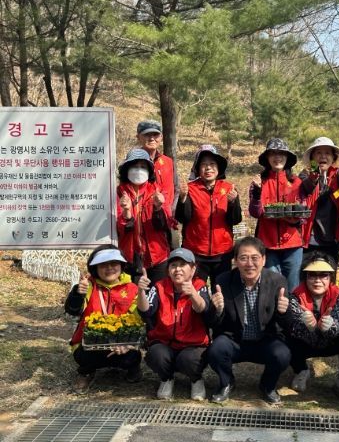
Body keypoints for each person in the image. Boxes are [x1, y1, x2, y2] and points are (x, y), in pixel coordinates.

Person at [207, 236, 292, 404]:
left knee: (282, 354)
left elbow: (287, 324)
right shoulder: (223, 281)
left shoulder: (277, 281)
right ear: (235, 260)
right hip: (235, 340)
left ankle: (267, 385)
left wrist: (284, 312)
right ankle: (226, 382)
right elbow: (213, 323)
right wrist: (217, 310)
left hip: (265, 340)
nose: (249, 264)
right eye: (243, 258)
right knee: (216, 350)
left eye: (255, 258)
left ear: (264, 259)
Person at [137, 248, 224, 401]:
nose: (177, 269)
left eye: (183, 265)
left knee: (189, 360)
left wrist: (192, 294)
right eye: (173, 265)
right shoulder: (159, 286)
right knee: (156, 355)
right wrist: (141, 292)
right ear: (168, 270)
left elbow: (203, 309)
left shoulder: (200, 285)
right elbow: (146, 311)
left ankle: (196, 379)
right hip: (164, 342)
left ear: (193, 269)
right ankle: (166, 378)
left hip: (193, 345)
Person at [65, 245, 142, 393]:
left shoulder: (132, 288)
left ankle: (133, 368)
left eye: (114, 263)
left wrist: (127, 344)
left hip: (121, 343)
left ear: (122, 265)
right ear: (95, 268)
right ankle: (86, 372)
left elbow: (137, 319)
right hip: (90, 343)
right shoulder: (87, 286)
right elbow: (72, 310)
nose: (109, 268)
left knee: (132, 356)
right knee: (83, 356)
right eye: (103, 265)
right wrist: (78, 294)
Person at [287, 253, 339, 400]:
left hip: (329, 342)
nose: (317, 280)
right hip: (305, 343)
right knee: (286, 334)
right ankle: (301, 370)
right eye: (312, 275)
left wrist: (329, 327)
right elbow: (293, 326)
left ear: (330, 277)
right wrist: (307, 327)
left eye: (323, 275)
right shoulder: (295, 297)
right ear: (305, 277)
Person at [175, 145, 242, 289]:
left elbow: (235, 219)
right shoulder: (190, 188)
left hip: (222, 253)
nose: (208, 168)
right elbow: (183, 218)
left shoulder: (228, 188)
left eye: (212, 164)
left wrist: (233, 203)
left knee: (221, 292)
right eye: (204, 164)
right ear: (198, 169)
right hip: (195, 252)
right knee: (195, 291)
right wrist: (183, 198)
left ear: (218, 168)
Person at [249, 138, 304, 291]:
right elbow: (255, 212)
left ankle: (292, 308)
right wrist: (257, 192)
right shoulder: (259, 181)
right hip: (267, 244)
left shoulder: (296, 182)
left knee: (294, 288)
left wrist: (293, 218)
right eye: (273, 153)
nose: (277, 157)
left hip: (293, 244)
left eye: (281, 153)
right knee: (272, 287)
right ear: (267, 158)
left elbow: (302, 213)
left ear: (287, 158)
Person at [117, 148, 172, 284]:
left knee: (159, 294)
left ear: (149, 170)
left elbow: (165, 224)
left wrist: (158, 208)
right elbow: (120, 230)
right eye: (134, 166)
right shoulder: (118, 193)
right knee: (133, 295)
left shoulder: (157, 191)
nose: (139, 170)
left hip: (157, 257)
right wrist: (126, 212)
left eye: (143, 167)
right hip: (130, 258)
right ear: (126, 169)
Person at [299, 137, 339, 264]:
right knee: (306, 273)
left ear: (333, 157)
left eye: (327, 153)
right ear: (312, 157)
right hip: (309, 238)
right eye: (318, 153)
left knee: (329, 274)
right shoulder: (305, 175)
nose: (323, 156)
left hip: (332, 239)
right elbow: (306, 185)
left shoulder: (337, 175)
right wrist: (314, 178)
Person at [135, 120, 179, 216]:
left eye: (155, 135)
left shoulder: (168, 162)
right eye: (147, 135)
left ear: (161, 137)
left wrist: (172, 211)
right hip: (141, 218)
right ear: (138, 137)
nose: (152, 138)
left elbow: (176, 188)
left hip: (166, 217)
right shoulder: (132, 163)